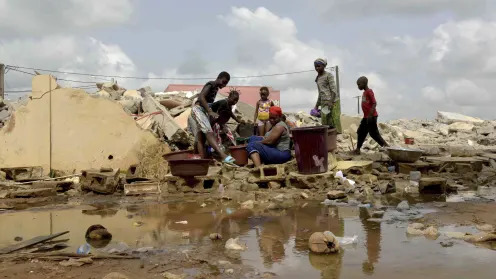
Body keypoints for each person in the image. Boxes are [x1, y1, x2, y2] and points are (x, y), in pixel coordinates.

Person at [187, 71, 235, 163]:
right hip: (199, 109)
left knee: (202, 136)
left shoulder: (216, 88)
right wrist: (209, 111)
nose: (224, 85)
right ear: (219, 78)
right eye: (224, 82)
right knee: (209, 132)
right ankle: (222, 155)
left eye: (226, 84)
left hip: (204, 111)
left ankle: (202, 159)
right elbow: (201, 97)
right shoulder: (211, 84)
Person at [354, 76, 389, 155]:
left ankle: (387, 148)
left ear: (364, 83)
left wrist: (370, 115)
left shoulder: (369, 91)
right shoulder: (364, 93)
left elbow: (374, 103)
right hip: (366, 117)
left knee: (374, 134)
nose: (358, 86)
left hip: (371, 117)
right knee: (361, 132)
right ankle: (357, 149)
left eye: (359, 84)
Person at [314, 58, 342, 133]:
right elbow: (320, 93)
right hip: (324, 103)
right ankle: (329, 139)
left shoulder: (328, 75)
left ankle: (338, 138)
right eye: (315, 66)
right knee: (325, 123)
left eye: (319, 66)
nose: (317, 68)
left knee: (334, 121)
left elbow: (334, 90)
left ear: (324, 66)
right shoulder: (317, 79)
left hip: (333, 102)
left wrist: (331, 101)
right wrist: (316, 105)